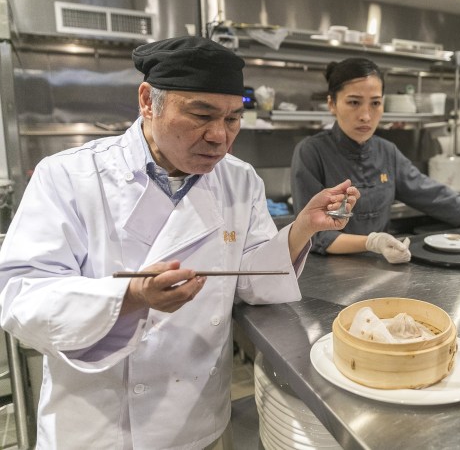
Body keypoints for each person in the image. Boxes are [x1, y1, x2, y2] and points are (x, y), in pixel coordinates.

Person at [0, 36, 358, 449]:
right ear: (148, 102)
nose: (219, 136)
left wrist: (302, 228)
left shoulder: (240, 180)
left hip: (197, 420)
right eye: (201, 114)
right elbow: (22, 296)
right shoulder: (69, 177)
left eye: (232, 119)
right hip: (99, 428)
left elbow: (250, 279)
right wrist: (130, 296)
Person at [290, 57, 460, 264]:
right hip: (323, 273)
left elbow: (429, 192)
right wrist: (372, 242)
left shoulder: (386, 151)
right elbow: (314, 234)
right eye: (353, 102)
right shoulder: (311, 152)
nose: (366, 115)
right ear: (332, 104)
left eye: (375, 103)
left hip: (381, 266)